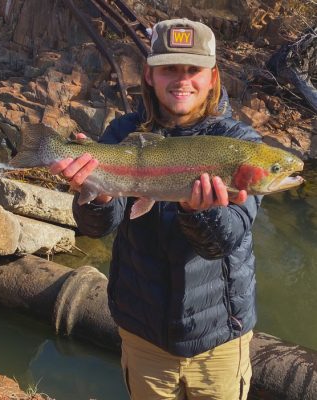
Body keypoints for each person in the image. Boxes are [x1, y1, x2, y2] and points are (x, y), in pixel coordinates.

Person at [50, 18, 262, 400]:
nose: (182, 80)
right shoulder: (122, 134)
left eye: (193, 69)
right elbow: (99, 228)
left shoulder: (240, 144)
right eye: (169, 69)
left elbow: (225, 241)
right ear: (149, 75)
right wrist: (97, 196)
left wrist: (201, 212)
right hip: (142, 333)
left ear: (212, 77)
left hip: (221, 339)